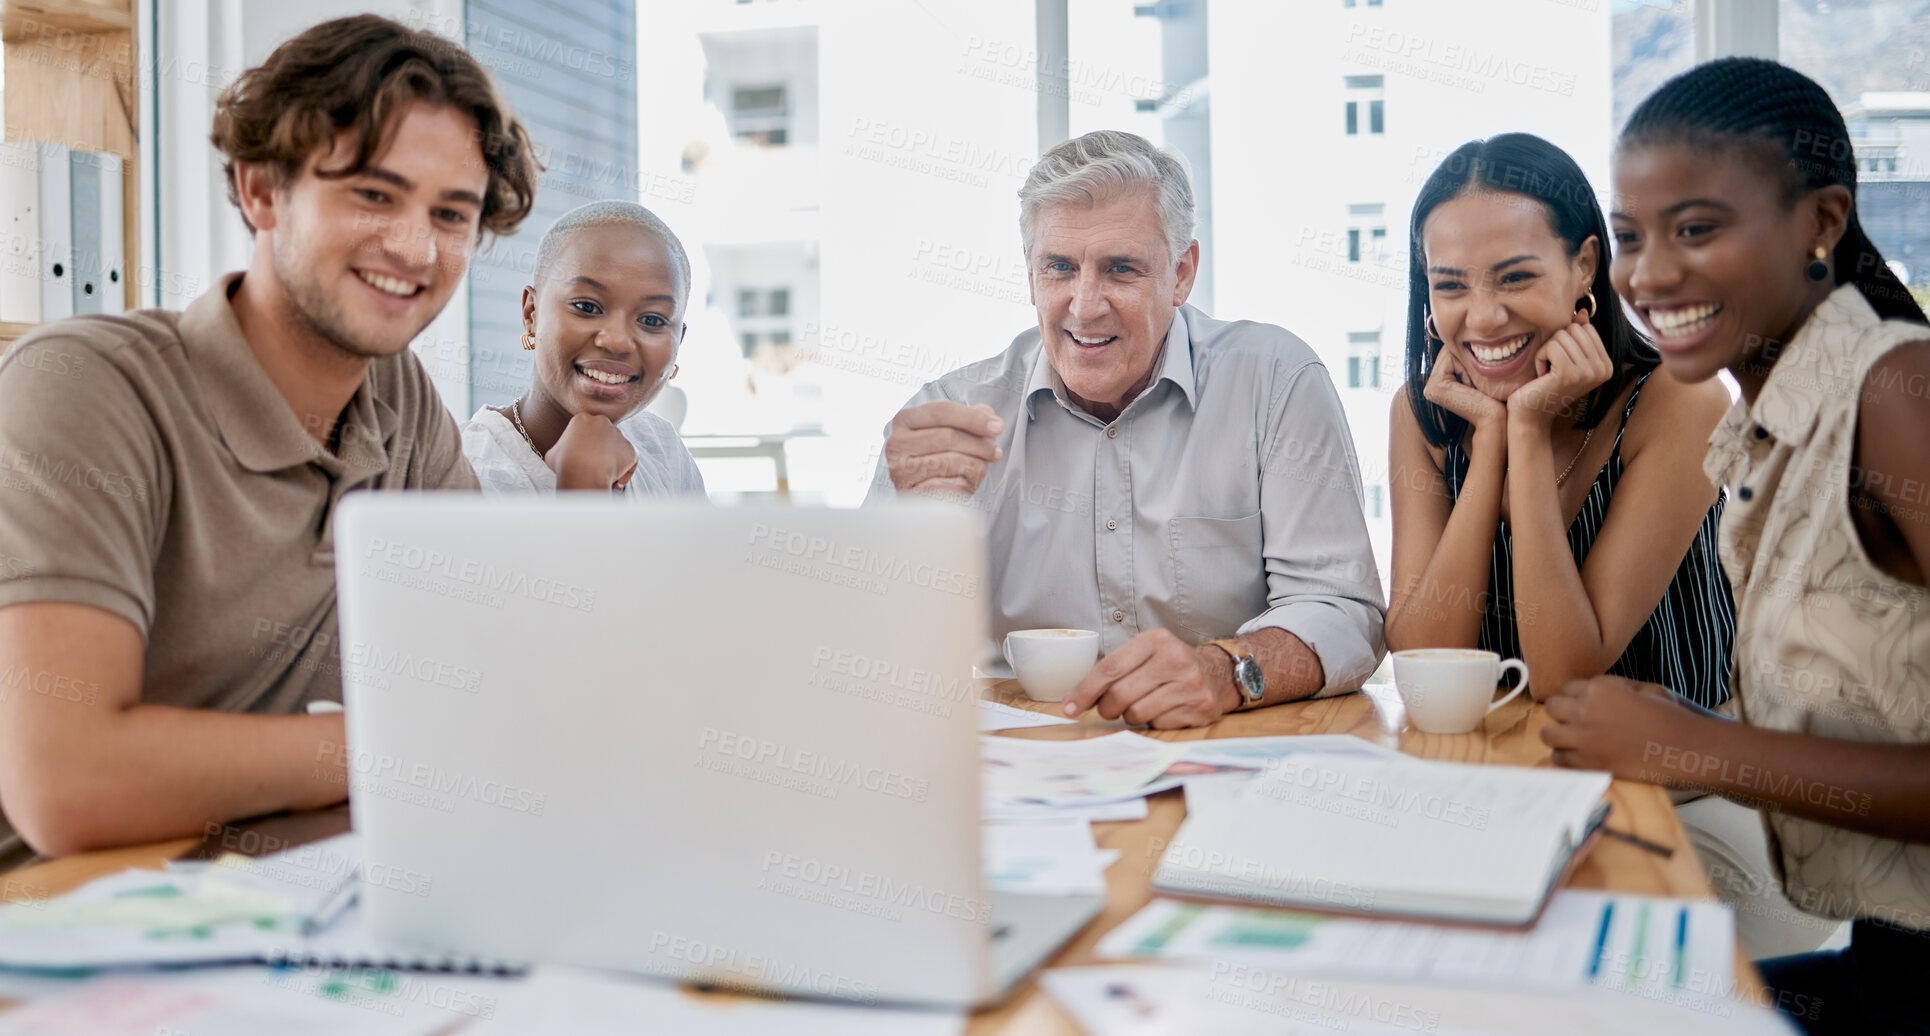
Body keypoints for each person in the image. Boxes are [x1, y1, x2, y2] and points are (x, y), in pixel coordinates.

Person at [0, 15, 539, 867]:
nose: (415, 246)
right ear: (260, 190)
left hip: (275, 893)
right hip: (53, 922)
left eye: (451, 214)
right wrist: (398, 749)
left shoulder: (403, 406)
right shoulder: (82, 385)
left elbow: (487, 683)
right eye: (373, 193)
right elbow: (66, 782)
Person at [1543, 57, 1930, 1033]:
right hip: (1889, 962)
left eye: (1697, 229)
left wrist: (1697, 743)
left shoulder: (1894, 394)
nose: (1648, 273)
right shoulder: (1767, 422)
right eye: (1629, 237)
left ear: (1822, 225)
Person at [867, 130, 1384, 730]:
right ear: (1030, 274)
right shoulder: (950, 416)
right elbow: (867, 661)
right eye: (1059, 267)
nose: (1085, 306)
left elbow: (1343, 610)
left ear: (1182, 272)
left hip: (1221, 758)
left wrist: (1227, 671)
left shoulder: (1275, 381)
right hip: (1019, 773)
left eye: (1120, 269)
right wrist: (914, 532)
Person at [463, 201, 704, 496]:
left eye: (652, 319)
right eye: (587, 306)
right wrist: (583, 488)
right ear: (531, 314)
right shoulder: (464, 474)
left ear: (678, 343)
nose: (616, 341)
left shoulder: (664, 451)